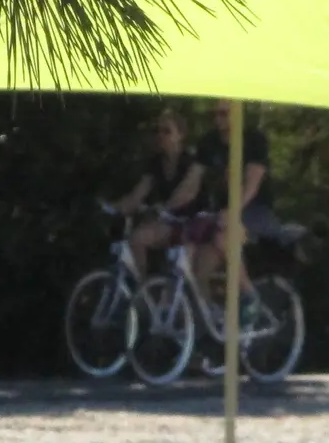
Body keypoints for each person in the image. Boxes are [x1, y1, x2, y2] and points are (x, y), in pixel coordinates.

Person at [189, 99, 276, 314]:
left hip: (256, 210)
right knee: (201, 261)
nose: (217, 119)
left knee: (223, 238)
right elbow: (191, 182)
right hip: (223, 213)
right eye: (214, 114)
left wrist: (233, 210)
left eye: (223, 113)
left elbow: (252, 183)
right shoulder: (209, 142)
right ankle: (208, 318)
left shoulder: (254, 140)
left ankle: (250, 296)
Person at [110, 109, 203, 278]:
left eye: (167, 131)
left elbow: (187, 193)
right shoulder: (156, 162)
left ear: (181, 135)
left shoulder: (192, 162)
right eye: (157, 131)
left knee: (182, 272)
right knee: (136, 238)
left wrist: (164, 208)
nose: (160, 135)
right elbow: (139, 193)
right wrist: (116, 208)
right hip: (169, 222)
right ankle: (143, 287)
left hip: (194, 224)